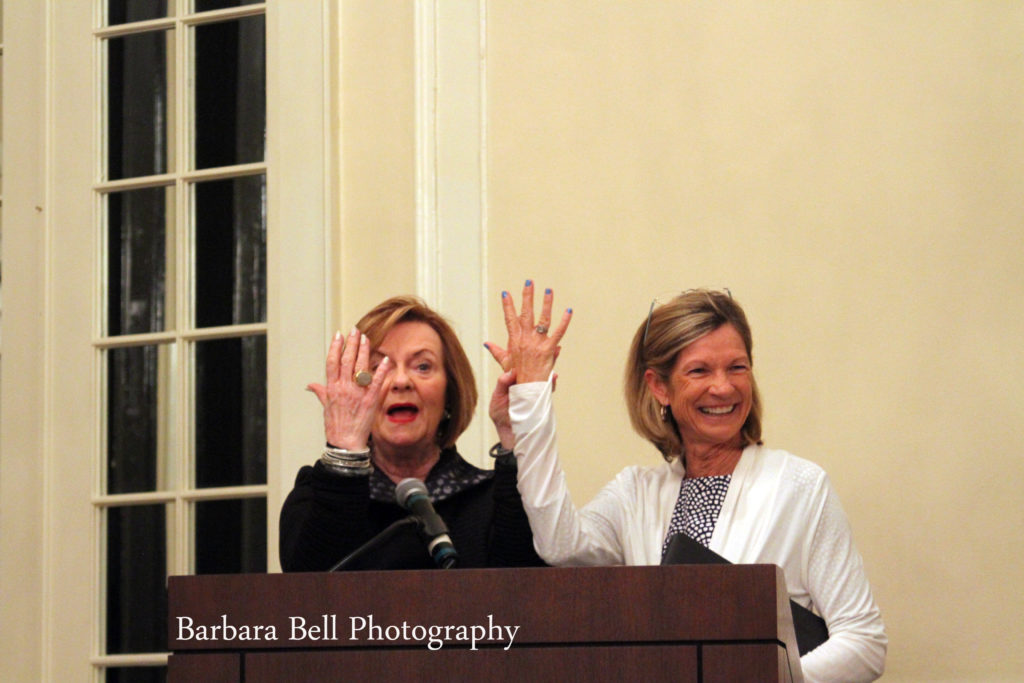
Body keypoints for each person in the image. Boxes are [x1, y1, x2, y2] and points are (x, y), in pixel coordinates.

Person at [488, 283, 886, 683]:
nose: (723, 387)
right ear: (660, 386)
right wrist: (531, 403)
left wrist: (766, 677)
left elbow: (864, 642)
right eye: (699, 370)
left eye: (737, 367)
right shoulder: (635, 493)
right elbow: (559, 545)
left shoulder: (800, 485)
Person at [280, 295, 543, 571]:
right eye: (378, 368)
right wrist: (345, 451)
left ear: (450, 394)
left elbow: (527, 594)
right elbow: (311, 598)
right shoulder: (313, 499)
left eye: (422, 366)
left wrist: (517, 436)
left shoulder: (495, 499)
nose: (402, 381)